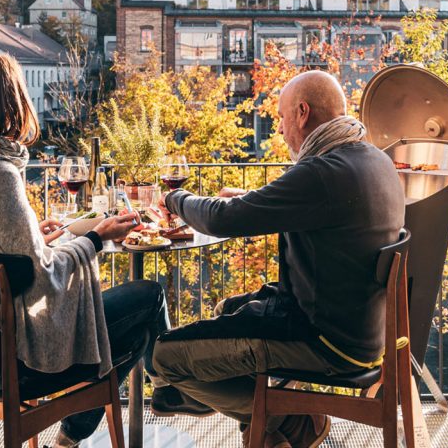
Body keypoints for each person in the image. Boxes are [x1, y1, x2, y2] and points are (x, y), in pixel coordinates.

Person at [152, 70, 406, 447]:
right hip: (362, 333)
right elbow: (311, 206)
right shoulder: (371, 159)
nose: (281, 129)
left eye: (282, 118)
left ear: (303, 113)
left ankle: (290, 416)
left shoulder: (321, 173)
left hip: (323, 341)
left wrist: (174, 199)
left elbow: (222, 220)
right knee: (228, 309)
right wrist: (252, 196)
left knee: (163, 357)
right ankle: (261, 427)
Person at [0, 54, 179, 447]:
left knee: (133, 334)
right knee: (149, 297)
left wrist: (36, 235)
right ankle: (173, 389)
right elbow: (42, 275)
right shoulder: (0, 175)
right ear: (12, 101)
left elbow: (8, 253)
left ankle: (74, 436)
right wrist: (97, 237)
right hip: (16, 351)